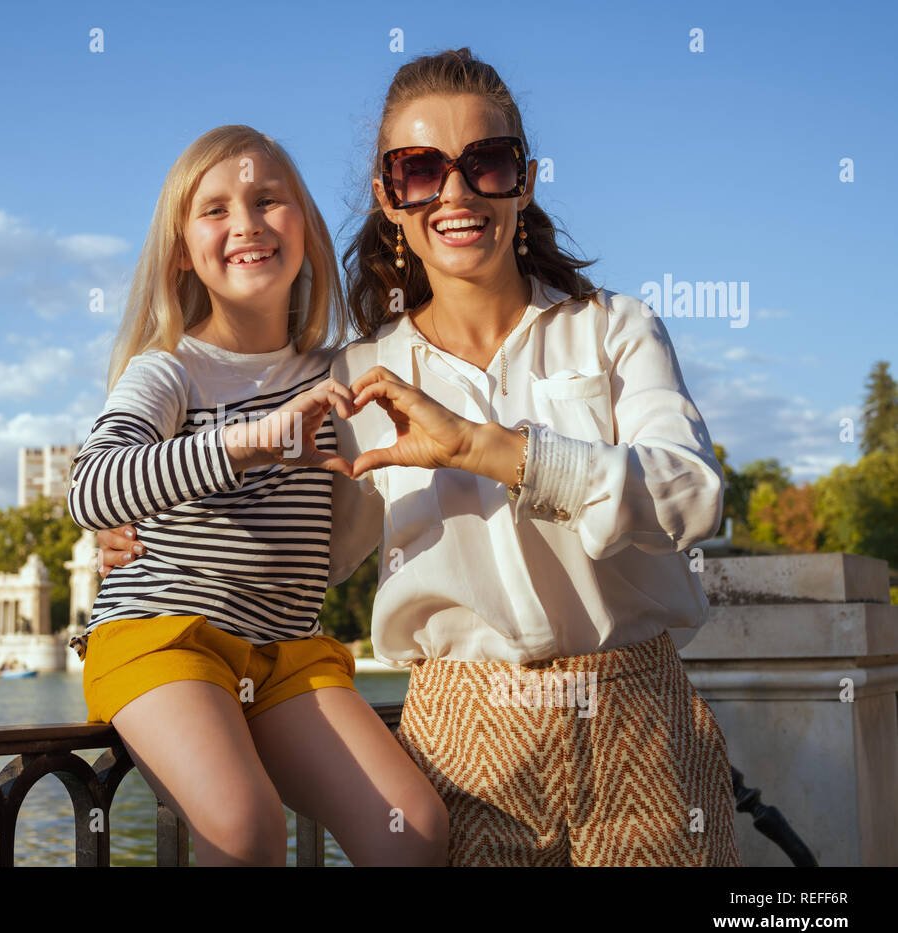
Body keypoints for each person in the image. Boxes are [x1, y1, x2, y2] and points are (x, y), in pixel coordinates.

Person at [99, 50, 741, 867]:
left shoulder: (614, 328)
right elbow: (308, 553)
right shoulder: (350, 380)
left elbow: (692, 497)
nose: (456, 193)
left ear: (526, 179)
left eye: (487, 163)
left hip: (640, 722)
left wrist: (487, 448)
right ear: (388, 198)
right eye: (419, 170)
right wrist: (135, 533)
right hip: (463, 744)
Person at [67, 125, 448, 867]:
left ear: (302, 224)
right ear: (182, 251)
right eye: (215, 210)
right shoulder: (168, 368)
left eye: (268, 200)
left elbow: (340, 546)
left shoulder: (342, 371)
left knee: (414, 829)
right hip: (163, 635)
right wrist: (253, 440)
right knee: (244, 829)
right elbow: (92, 488)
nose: (245, 222)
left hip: (287, 651)